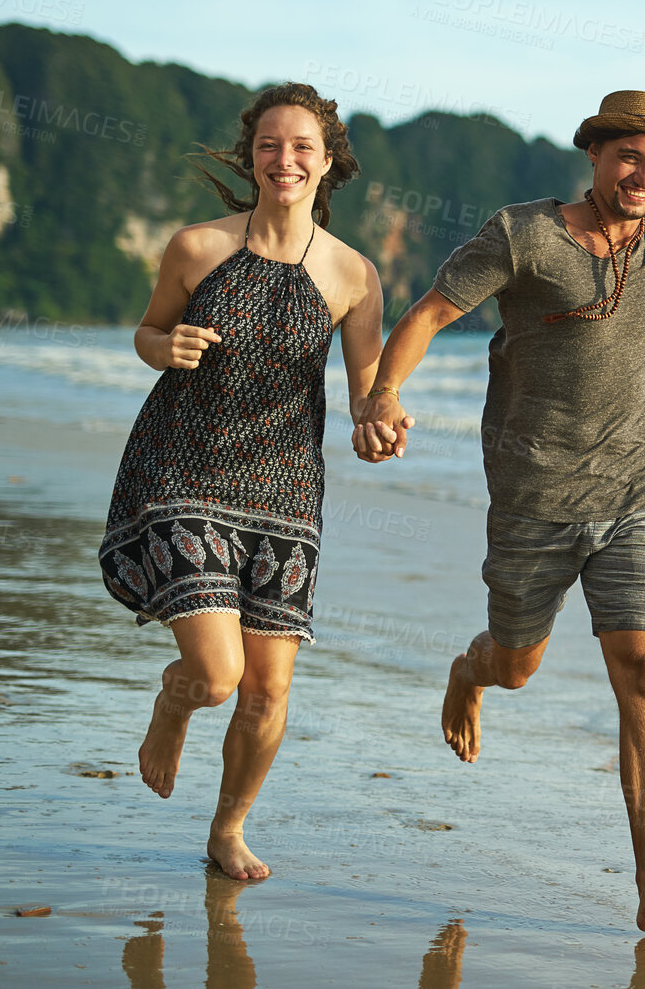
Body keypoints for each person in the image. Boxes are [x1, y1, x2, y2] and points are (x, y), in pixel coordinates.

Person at [353, 90, 645, 930]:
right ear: (594, 155)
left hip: (638, 494)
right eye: (630, 158)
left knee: (643, 670)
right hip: (533, 499)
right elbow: (428, 314)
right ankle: (471, 668)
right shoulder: (522, 235)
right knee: (516, 665)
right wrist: (381, 395)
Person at [98, 83, 385, 880]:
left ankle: (228, 829)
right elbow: (147, 331)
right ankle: (174, 700)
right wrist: (164, 347)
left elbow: (366, 390)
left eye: (302, 147)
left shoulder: (353, 275)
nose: (284, 159)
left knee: (266, 691)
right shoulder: (197, 248)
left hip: (285, 488)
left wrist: (379, 417)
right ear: (249, 154)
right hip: (181, 468)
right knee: (218, 678)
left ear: (328, 163)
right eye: (269, 144)